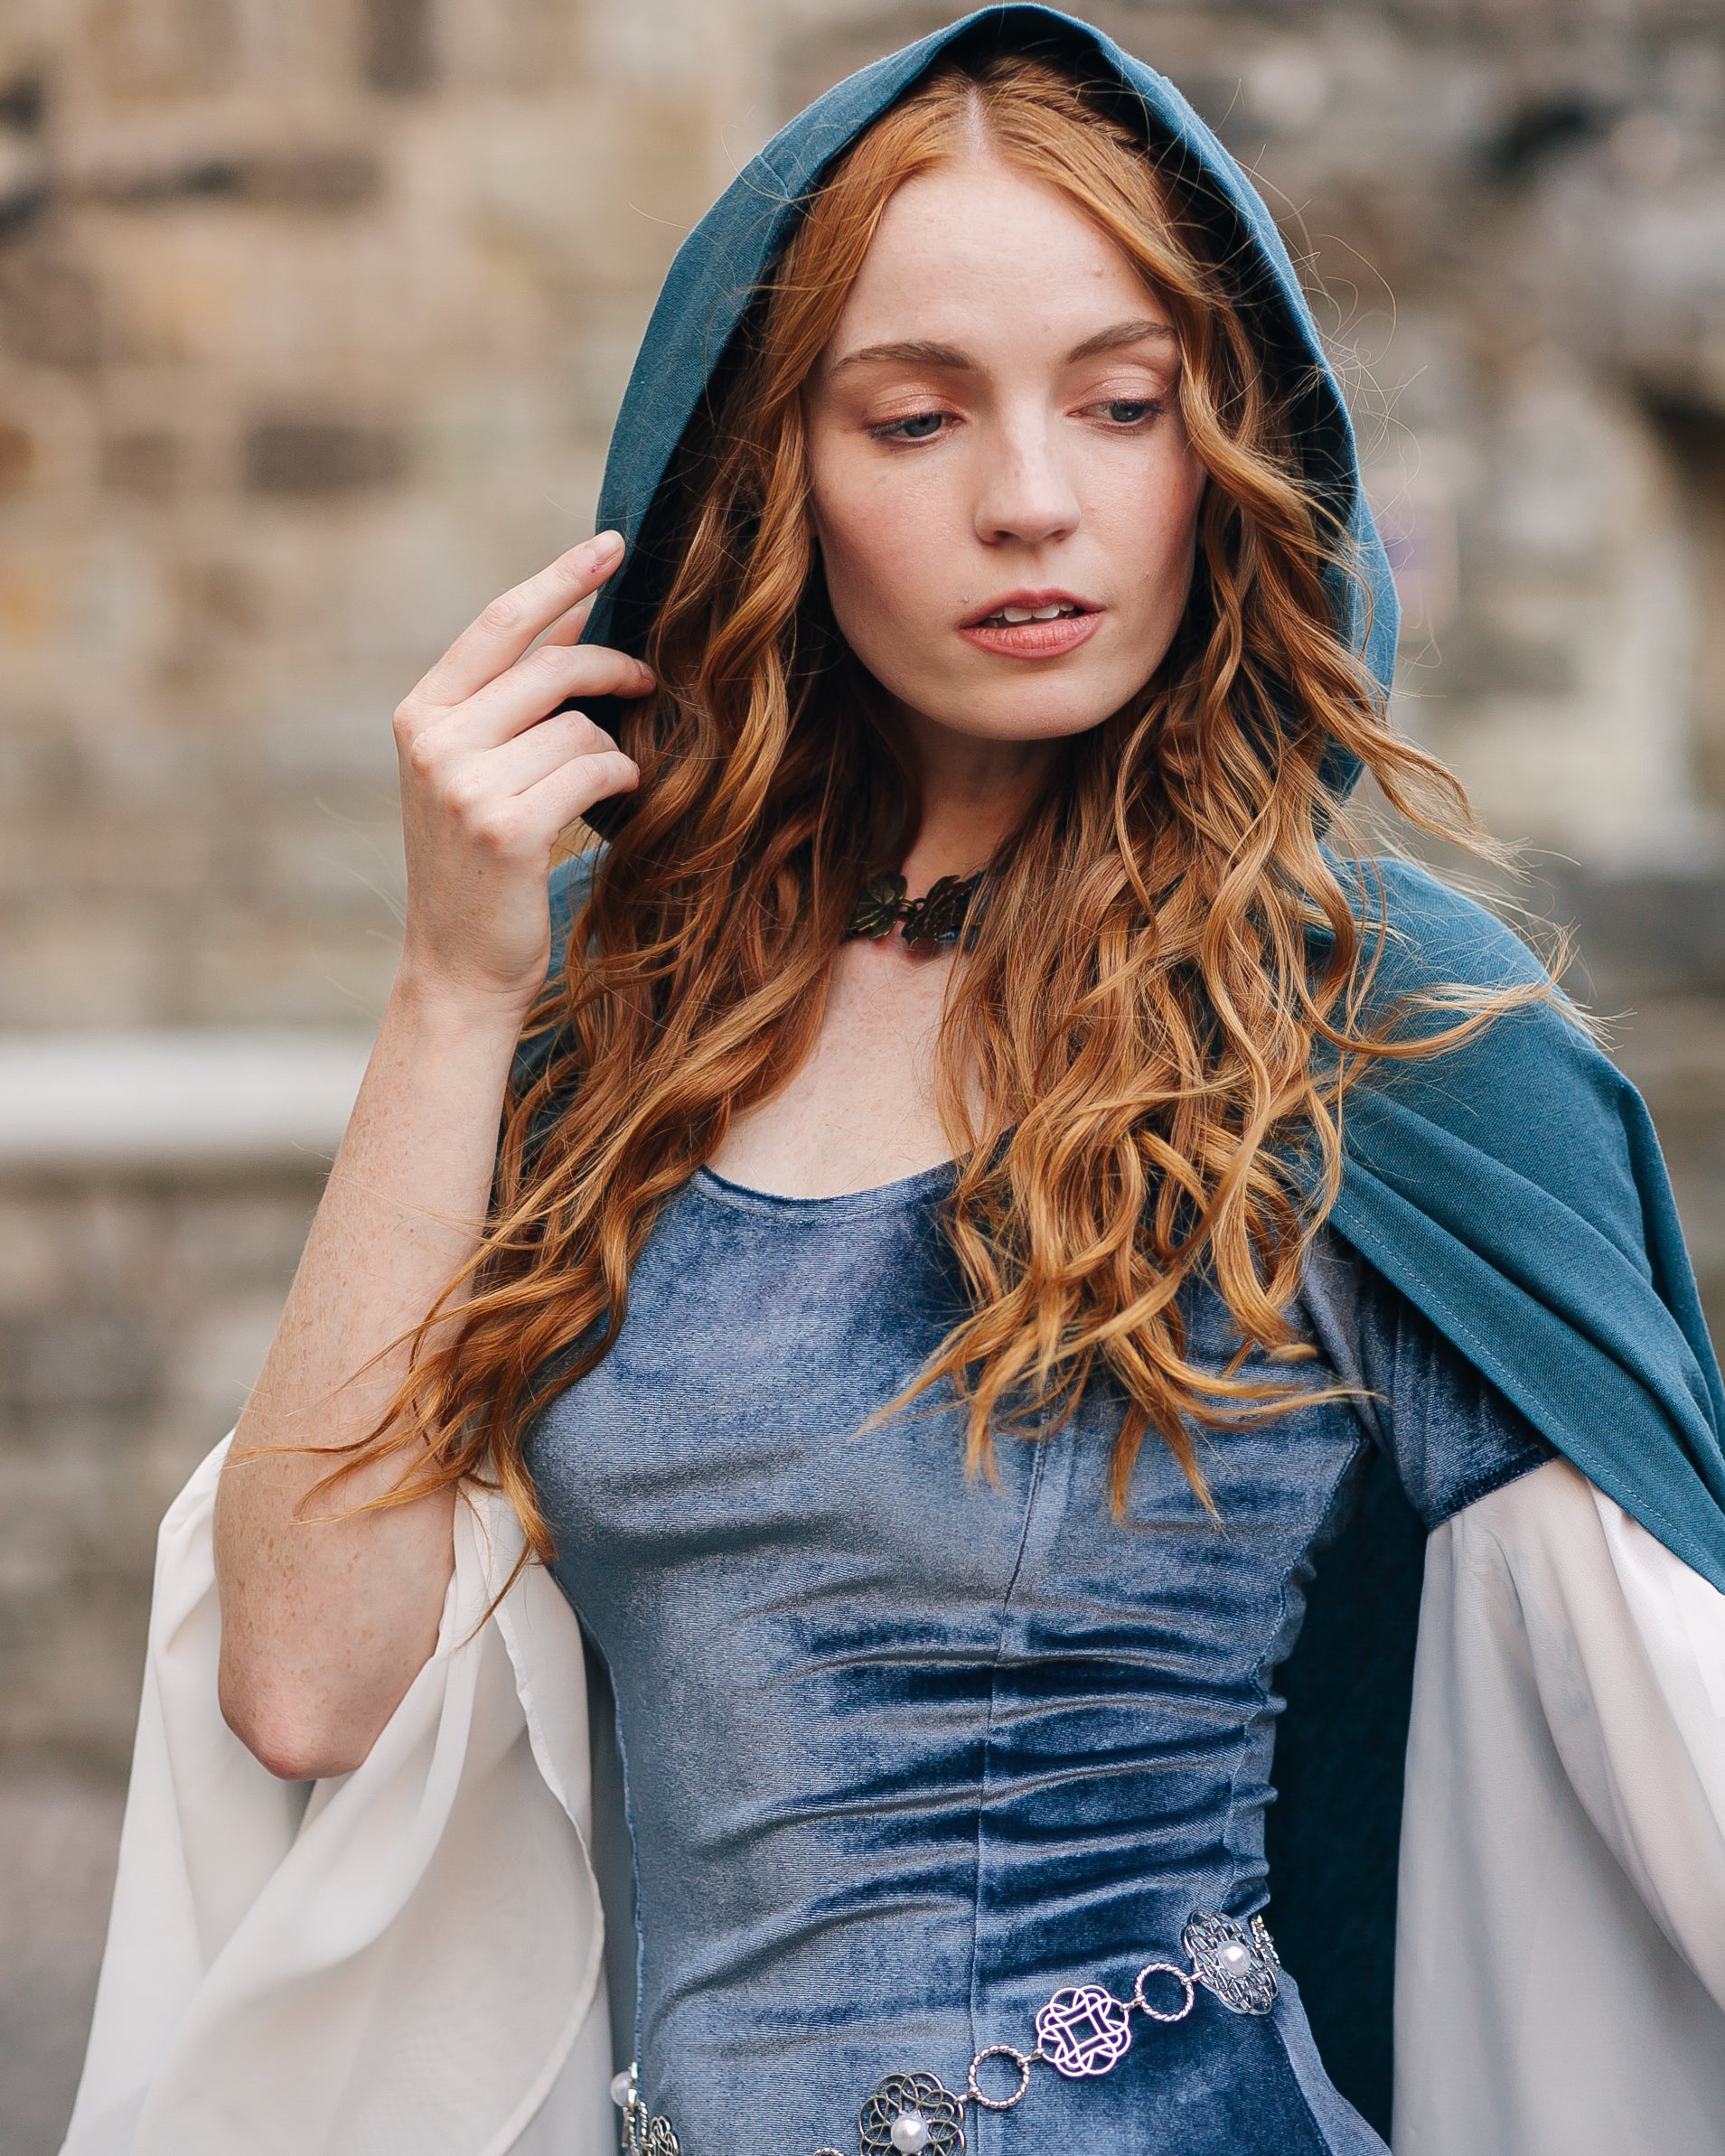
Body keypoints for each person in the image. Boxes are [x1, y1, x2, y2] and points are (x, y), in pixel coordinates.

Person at [61, 11, 1725, 2156]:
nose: (1031, 499)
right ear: (780, 475)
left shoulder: (1371, 1023)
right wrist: (450, 988)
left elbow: (1666, 1731)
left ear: (1220, 446)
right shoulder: (618, 1016)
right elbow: (309, 1686)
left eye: (1120, 402)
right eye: (917, 417)